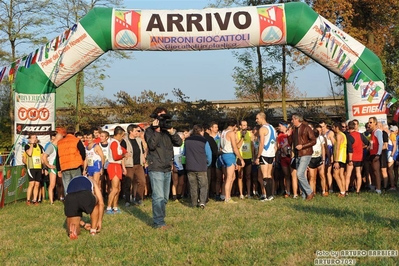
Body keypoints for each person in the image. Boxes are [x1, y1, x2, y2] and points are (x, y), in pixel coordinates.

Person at [145, 107, 182, 229]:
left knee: (165, 197)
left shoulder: (168, 131)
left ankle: (161, 219)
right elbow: (151, 145)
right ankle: (159, 222)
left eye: (165, 117)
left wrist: (172, 132)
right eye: (160, 117)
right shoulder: (149, 131)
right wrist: (156, 130)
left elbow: (179, 142)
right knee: (158, 196)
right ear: (155, 117)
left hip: (167, 167)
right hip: (156, 166)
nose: (162, 120)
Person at [64, 175, 104, 240]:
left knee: (74, 216)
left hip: (69, 197)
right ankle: (93, 230)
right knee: (96, 203)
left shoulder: (74, 179)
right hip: (84, 194)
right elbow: (101, 203)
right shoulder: (92, 180)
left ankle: (73, 232)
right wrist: (99, 221)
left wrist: (84, 224)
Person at [184, 125, 212, 208]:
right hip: (201, 166)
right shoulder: (204, 141)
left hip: (190, 166)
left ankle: (194, 203)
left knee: (193, 186)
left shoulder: (187, 140)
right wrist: (208, 164)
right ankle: (202, 202)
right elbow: (208, 155)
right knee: (203, 185)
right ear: (201, 131)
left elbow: (184, 153)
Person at [290, 114, 316, 201]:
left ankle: (309, 192)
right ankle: (305, 196)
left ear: (297, 119)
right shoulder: (294, 129)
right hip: (298, 154)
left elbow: (313, 141)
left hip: (306, 153)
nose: (291, 121)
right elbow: (292, 142)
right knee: (299, 175)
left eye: (292, 119)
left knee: (300, 174)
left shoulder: (306, 128)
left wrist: (303, 146)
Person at [121, 124, 146, 206]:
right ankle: (127, 200)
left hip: (139, 165)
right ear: (130, 131)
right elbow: (122, 155)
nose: (138, 132)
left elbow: (142, 152)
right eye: (136, 131)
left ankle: (138, 199)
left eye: (139, 131)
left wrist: (144, 162)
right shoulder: (124, 141)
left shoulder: (139, 140)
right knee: (128, 183)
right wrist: (123, 167)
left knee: (142, 182)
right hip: (129, 165)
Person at [219, 120, 244, 203]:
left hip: (224, 155)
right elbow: (234, 147)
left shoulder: (223, 132)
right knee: (229, 178)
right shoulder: (231, 133)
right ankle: (227, 197)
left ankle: (224, 194)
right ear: (234, 126)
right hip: (229, 155)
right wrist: (240, 159)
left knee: (231, 177)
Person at [57, 126, 86, 194]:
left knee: (67, 185)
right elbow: (83, 152)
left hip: (64, 166)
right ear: (74, 132)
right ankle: (77, 200)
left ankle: (68, 200)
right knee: (77, 184)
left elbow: (57, 156)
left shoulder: (60, 142)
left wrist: (59, 169)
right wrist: (82, 161)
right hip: (75, 165)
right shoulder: (76, 140)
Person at [106, 126, 128, 214]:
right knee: (114, 189)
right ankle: (108, 208)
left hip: (117, 166)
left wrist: (125, 152)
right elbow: (115, 157)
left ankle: (115, 207)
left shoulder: (117, 143)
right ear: (118, 134)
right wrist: (123, 155)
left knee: (118, 189)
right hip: (114, 165)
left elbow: (122, 150)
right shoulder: (114, 143)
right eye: (122, 135)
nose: (123, 137)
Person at [255, 112, 277, 201]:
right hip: (271, 153)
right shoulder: (272, 127)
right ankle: (270, 195)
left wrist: (258, 156)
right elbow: (275, 142)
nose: (256, 120)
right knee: (269, 175)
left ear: (262, 118)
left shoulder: (262, 129)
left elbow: (261, 143)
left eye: (257, 118)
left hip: (264, 153)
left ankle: (267, 195)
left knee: (265, 175)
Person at [42, 128, 65, 204]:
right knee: (52, 184)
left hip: (58, 167)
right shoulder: (51, 146)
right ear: (58, 138)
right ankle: (51, 201)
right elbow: (44, 156)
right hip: (53, 168)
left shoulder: (59, 146)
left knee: (61, 183)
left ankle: (61, 197)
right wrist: (48, 165)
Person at [24, 134, 44, 205]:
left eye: (35, 138)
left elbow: (42, 158)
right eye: (32, 138)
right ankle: (28, 200)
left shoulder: (40, 147)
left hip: (38, 168)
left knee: (37, 184)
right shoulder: (27, 146)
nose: (34, 139)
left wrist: (43, 167)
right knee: (32, 184)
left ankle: (35, 200)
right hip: (31, 167)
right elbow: (29, 153)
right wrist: (31, 144)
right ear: (29, 139)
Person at [236, 120, 253, 199]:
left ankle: (249, 193)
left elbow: (252, 146)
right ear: (240, 126)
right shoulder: (237, 134)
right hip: (240, 157)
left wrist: (253, 156)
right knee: (240, 176)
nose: (244, 127)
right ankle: (241, 193)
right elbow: (238, 146)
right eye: (243, 125)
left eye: (245, 125)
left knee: (248, 176)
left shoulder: (250, 133)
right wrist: (242, 137)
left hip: (248, 157)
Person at [368, 117, 383, 194]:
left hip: (375, 154)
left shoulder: (378, 131)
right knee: (372, 171)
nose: (369, 124)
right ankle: (374, 186)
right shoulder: (372, 132)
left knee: (376, 172)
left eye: (371, 122)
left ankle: (379, 189)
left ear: (375, 123)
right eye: (369, 122)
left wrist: (378, 154)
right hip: (371, 153)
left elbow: (381, 143)